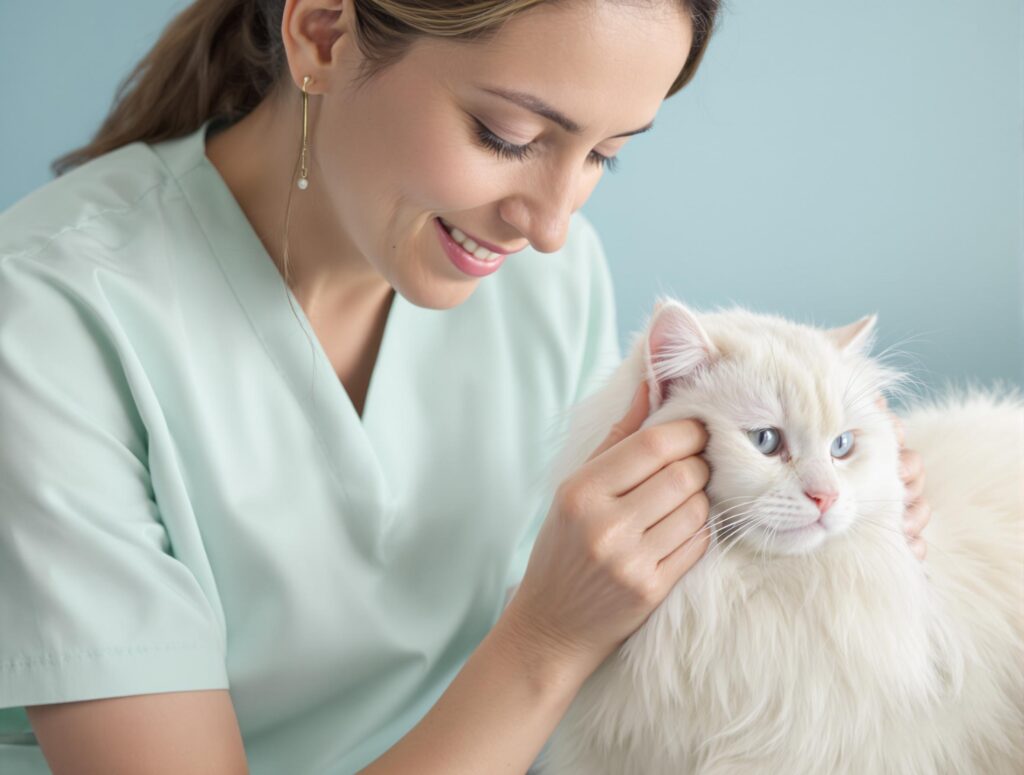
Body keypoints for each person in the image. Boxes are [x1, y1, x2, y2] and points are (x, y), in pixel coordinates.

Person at [0, 1, 931, 772]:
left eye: (605, 154)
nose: (554, 223)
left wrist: (855, 525)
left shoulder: (546, 279)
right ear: (324, 34)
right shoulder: (47, 320)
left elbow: (651, 614)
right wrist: (546, 642)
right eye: (508, 135)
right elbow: (559, 629)